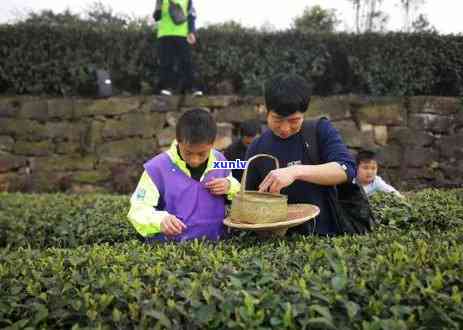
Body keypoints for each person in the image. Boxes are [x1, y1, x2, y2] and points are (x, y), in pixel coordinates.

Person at [244, 74, 356, 236]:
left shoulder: (319, 131)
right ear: (266, 112)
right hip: (275, 245)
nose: (285, 128)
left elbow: (347, 170)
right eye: (277, 120)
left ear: (304, 113)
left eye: (294, 121)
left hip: (324, 238)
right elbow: (249, 197)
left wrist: (295, 171)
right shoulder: (257, 147)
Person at [127, 108, 240, 242]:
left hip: (217, 248)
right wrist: (160, 220)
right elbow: (138, 210)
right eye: (188, 152)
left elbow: (238, 191)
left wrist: (230, 186)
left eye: (201, 154)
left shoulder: (220, 161)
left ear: (212, 144)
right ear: (178, 141)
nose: (194, 160)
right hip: (172, 252)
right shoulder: (157, 168)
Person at [153, 0, 202, 96]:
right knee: (166, 62)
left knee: (186, 62)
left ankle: (193, 88)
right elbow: (156, 17)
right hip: (165, 34)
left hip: (182, 34)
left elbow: (191, 15)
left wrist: (191, 31)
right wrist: (158, 8)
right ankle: (167, 88)